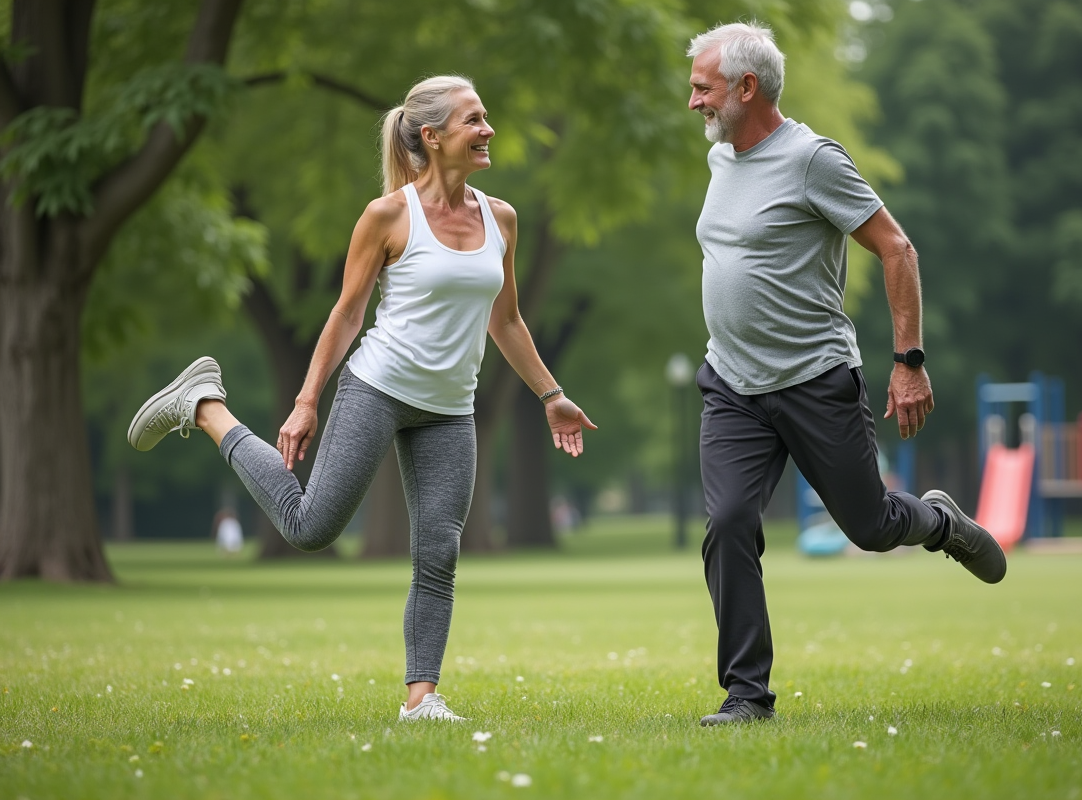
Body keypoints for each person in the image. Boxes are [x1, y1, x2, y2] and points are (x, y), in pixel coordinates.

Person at [126, 75, 596, 722]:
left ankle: (420, 697)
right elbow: (347, 315)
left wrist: (552, 394)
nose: (487, 130)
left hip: (450, 408)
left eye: (485, 118)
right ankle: (207, 406)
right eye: (473, 120)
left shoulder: (501, 218)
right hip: (377, 388)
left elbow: (506, 321)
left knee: (439, 550)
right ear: (431, 138)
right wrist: (307, 399)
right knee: (311, 527)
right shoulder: (388, 216)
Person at [685, 23, 1006, 727]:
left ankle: (940, 522)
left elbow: (897, 249)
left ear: (747, 88)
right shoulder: (721, 159)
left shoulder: (811, 160)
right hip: (732, 384)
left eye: (703, 88)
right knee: (730, 522)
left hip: (813, 378)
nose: (693, 103)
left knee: (870, 525)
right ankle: (746, 696)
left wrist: (909, 362)